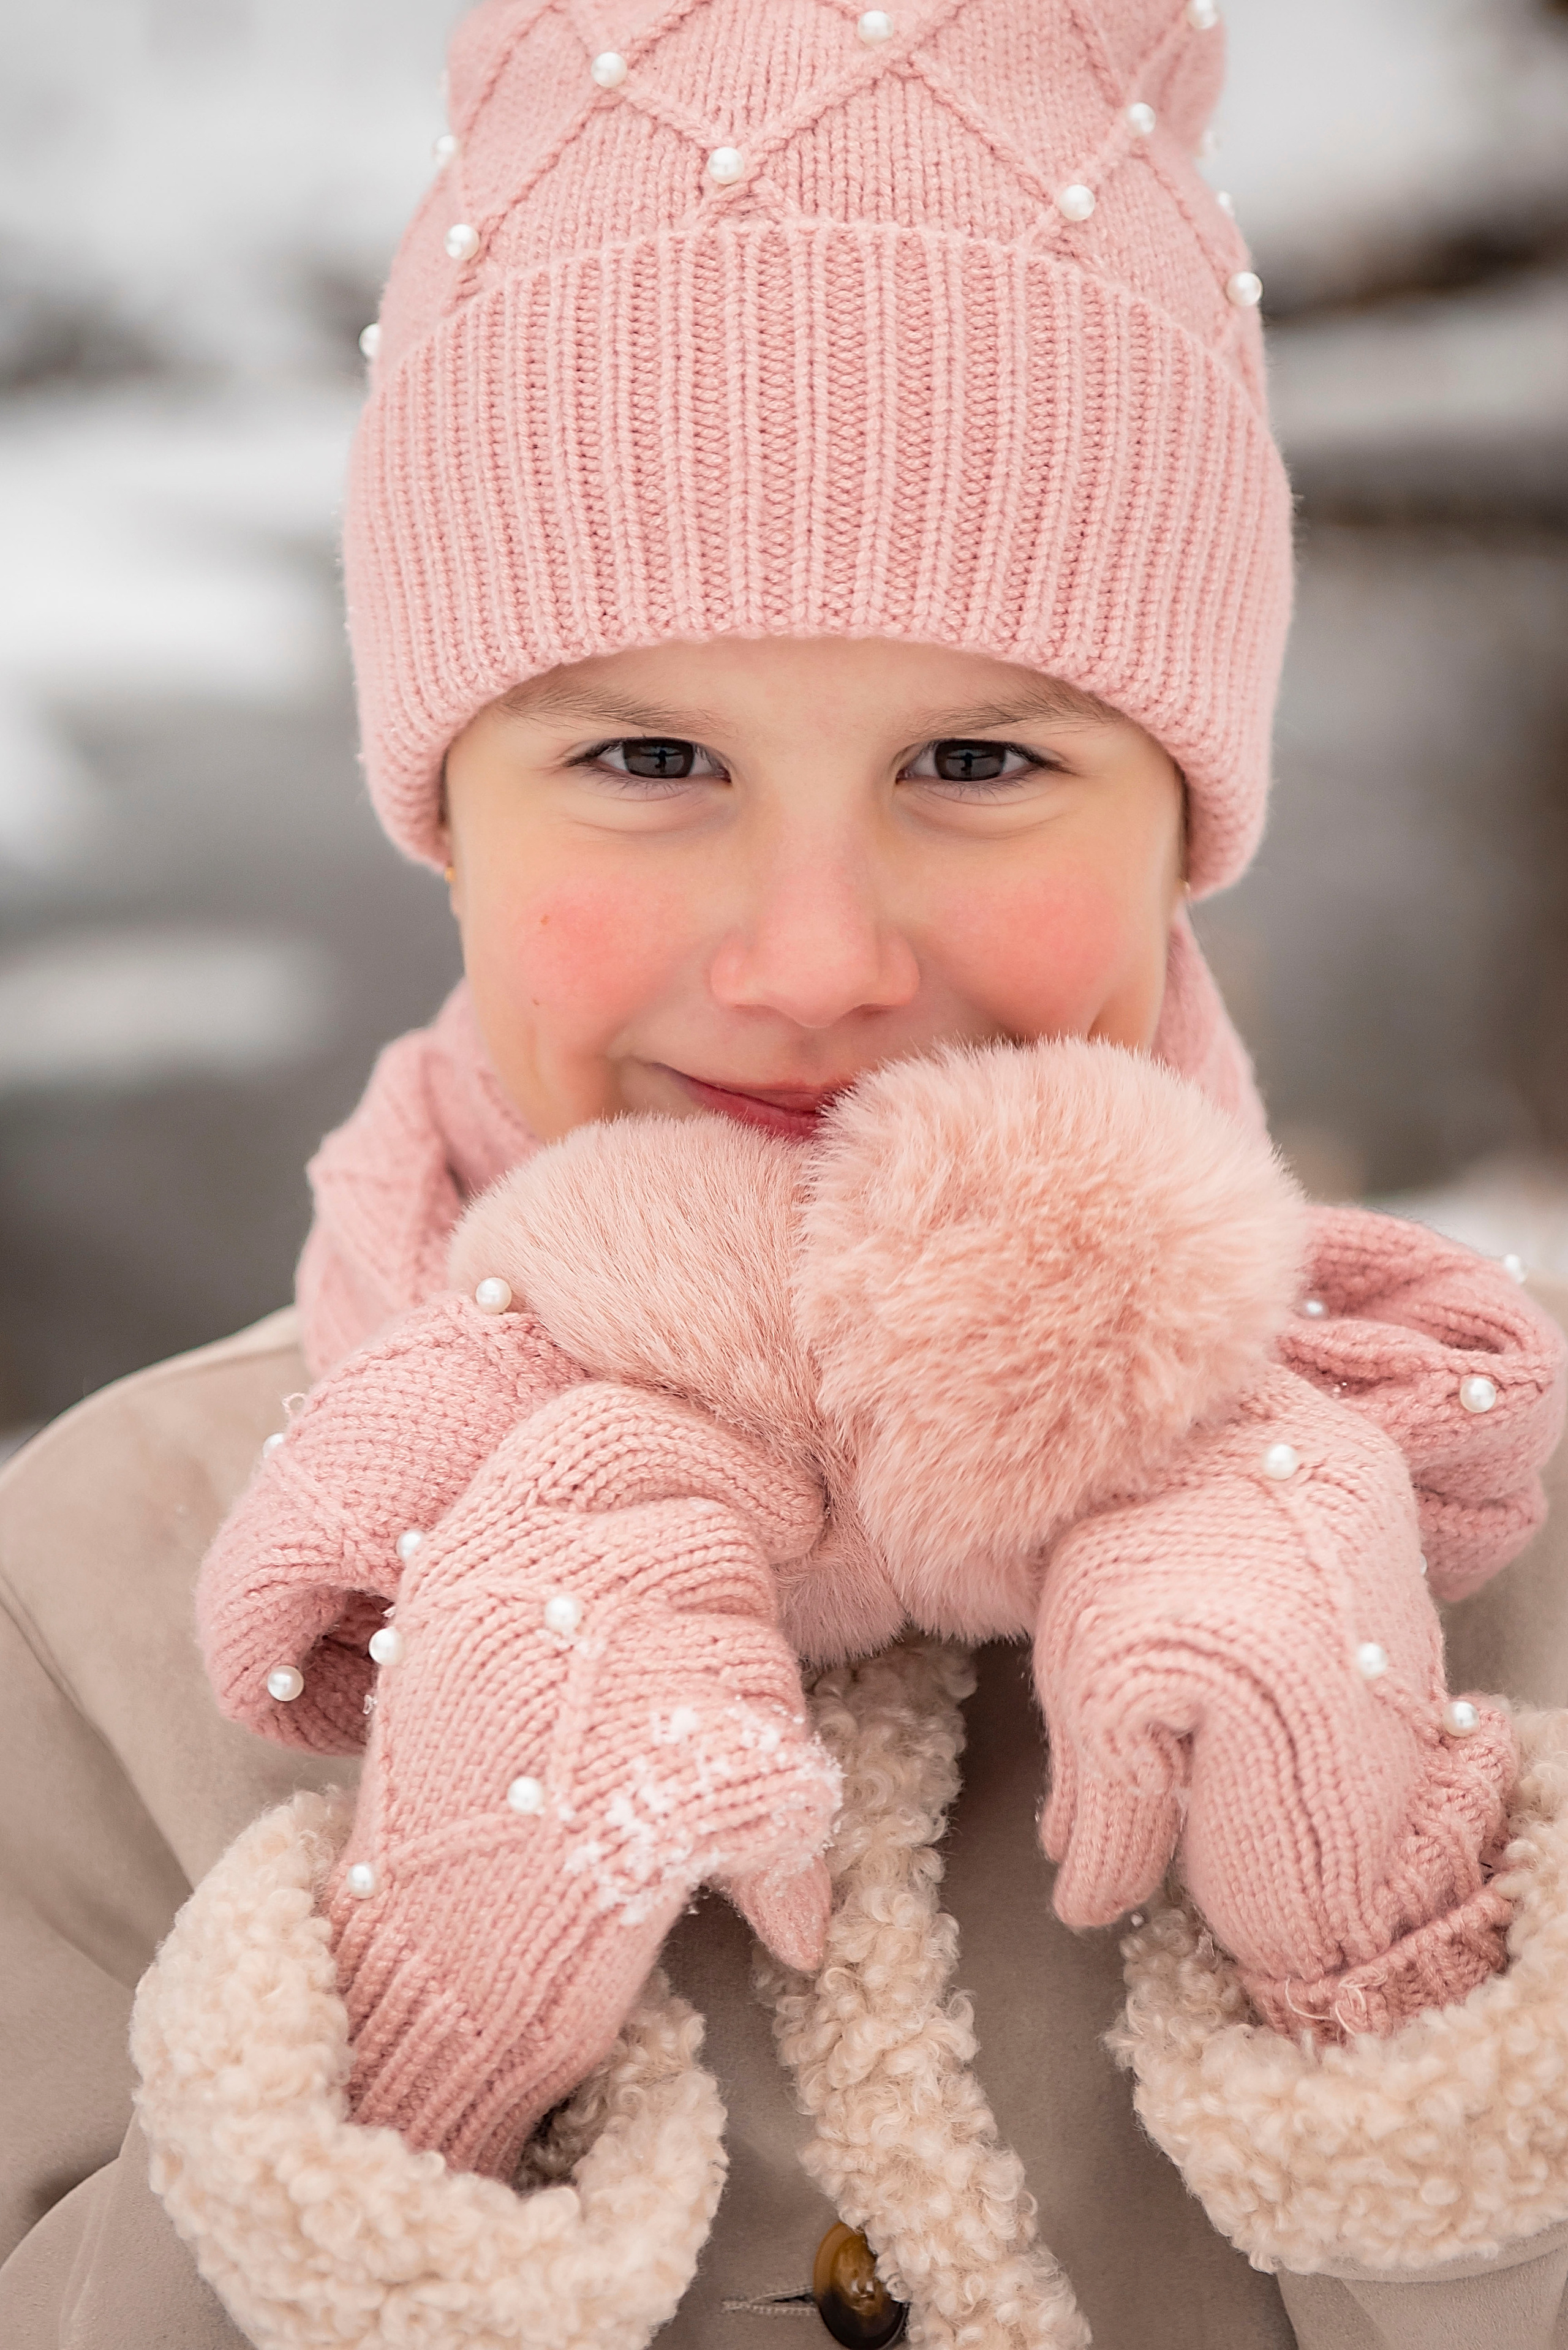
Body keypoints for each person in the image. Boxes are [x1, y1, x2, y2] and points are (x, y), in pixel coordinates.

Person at [4, 3, 1568, 2346]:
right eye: (647, 752)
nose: (817, 958)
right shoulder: (113, 1582)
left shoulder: (1479, 1515)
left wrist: (1401, 1961)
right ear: (443, 807)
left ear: (1190, 821)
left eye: (974, 755)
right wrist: (416, 2049)